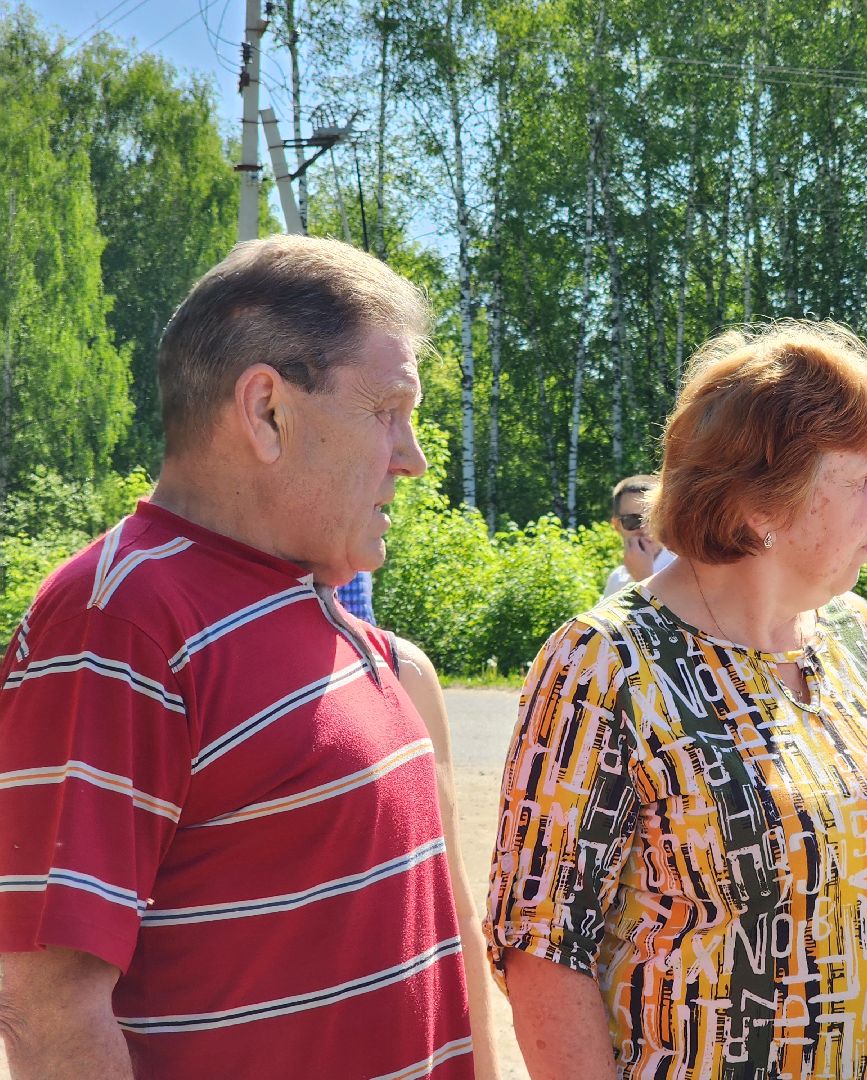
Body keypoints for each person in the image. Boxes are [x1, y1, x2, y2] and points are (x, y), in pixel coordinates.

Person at [0, 235, 499, 1079]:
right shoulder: (119, 622)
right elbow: (46, 1009)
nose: (411, 458)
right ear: (267, 409)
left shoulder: (325, 613)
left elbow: (443, 941)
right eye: (387, 411)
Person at [486, 320, 867, 1080]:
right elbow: (542, 947)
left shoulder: (860, 637)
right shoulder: (605, 664)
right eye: (862, 476)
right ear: (760, 506)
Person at [601, 474, 676, 596]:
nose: (644, 528)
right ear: (617, 526)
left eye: (652, 518)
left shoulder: (687, 569)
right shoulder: (616, 579)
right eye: (632, 520)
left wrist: (643, 577)